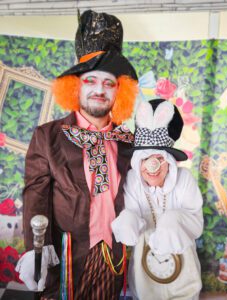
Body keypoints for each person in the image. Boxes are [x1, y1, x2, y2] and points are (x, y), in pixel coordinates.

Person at [16, 10, 138, 300]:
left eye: (109, 83)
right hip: (67, 259)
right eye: (90, 81)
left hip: (115, 259)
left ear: (120, 92)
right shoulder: (47, 136)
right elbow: (36, 197)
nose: (100, 90)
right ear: (75, 86)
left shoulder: (130, 141)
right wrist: (38, 252)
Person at [111, 99, 204, 300]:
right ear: (138, 162)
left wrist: (174, 220)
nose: (151, 168)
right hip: (145, 271)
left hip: (183, 265)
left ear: (169, 162)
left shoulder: (184, 179)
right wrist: (129, 220)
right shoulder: (133, 181)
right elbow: (132, 213)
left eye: (159, 160)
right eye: (145, 160)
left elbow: (195, 223)